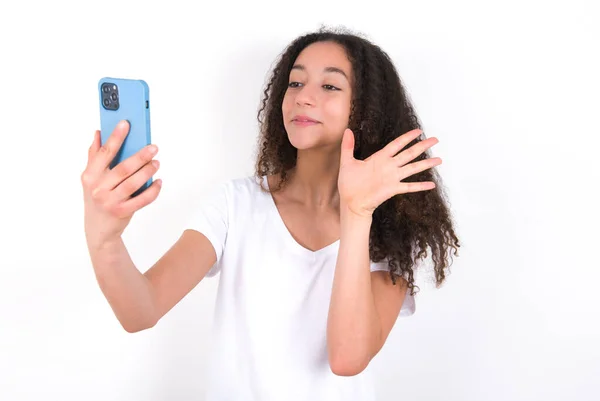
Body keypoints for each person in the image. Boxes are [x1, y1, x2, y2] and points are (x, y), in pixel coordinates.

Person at [81, 26, 461, 401]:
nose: (303, 97)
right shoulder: (236, 204)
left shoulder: (389, 229)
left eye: (330, 86)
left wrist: (357, 212)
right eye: (295, 83)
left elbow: (347, 358)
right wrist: (104, 238)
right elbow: (140, 312)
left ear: (366, 111)